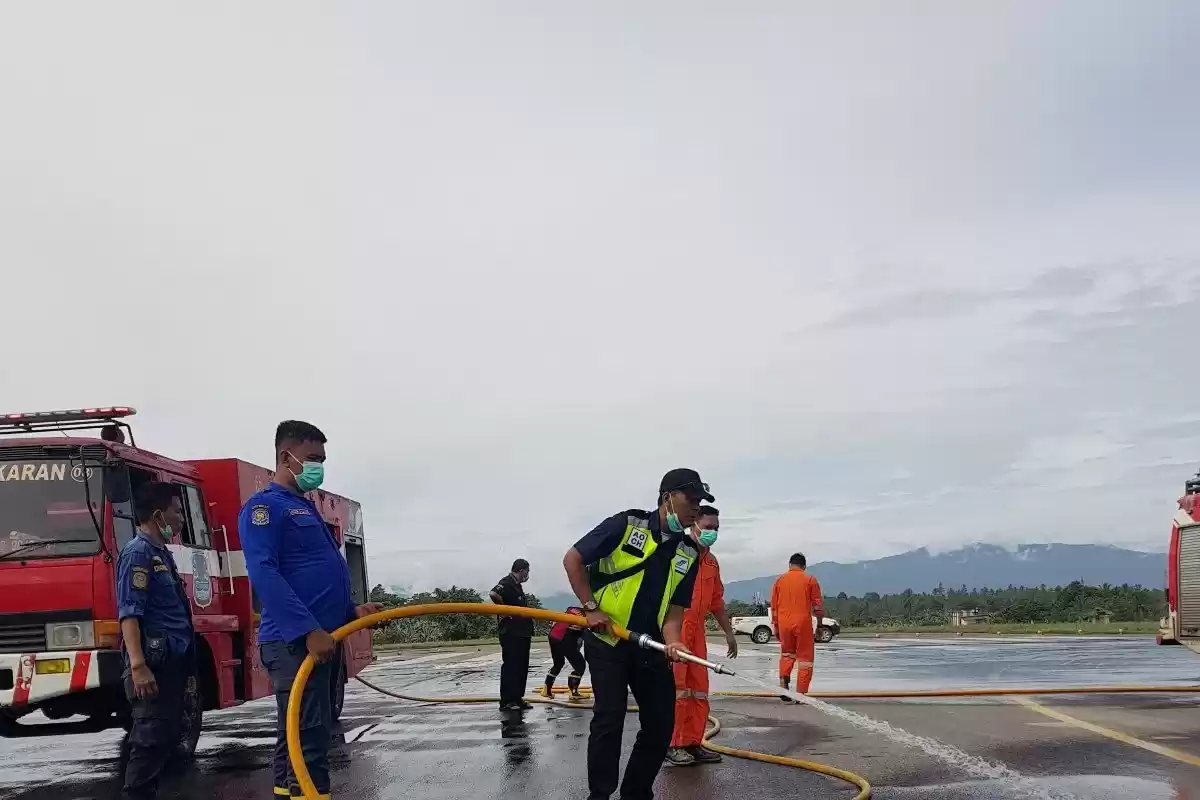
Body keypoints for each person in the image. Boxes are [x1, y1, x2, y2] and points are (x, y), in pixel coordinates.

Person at [241, 420, 382, 800]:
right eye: (312, 458)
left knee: (295, 736)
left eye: (322, 459)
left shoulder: (303, 506)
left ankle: (288, 792)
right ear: (286, 457)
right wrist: (308, 630)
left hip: (320, 636)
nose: (318, 467)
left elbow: (312, 575)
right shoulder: (264, 508)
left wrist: (351, 611)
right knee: (311, 738)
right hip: (295, 643)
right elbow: (264, 573)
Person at [562, 468, 710, 800]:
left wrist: (674, 641)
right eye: (691, 499)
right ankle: (600, 795)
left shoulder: (688, 552)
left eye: (700, 502)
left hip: (650, 646)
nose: (696, 508)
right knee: (609, 718)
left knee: (660, 724)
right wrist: (590, 607)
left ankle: (636, 793)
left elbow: (674, 612)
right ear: (668, 497)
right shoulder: (628, 525)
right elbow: (573, 559)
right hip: (608, 640)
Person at [116, 481, 195, 799]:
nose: (182, 519)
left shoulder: (160, 552)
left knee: (166, 739)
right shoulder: (138, 553)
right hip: (153, 667)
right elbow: (129, 613)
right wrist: (138, 666)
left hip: (171, 665)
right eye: (178, 511)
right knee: (149, 742)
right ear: (158, 515)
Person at [664, 506, 737, 767]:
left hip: (697, 635)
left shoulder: (711, 562)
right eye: (708, 527)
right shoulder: (677, 553)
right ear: (693, 524)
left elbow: (716, 601)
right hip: (676, 631)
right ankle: (673, 744)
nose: (712, 533)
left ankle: (693, 742)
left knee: (698, 691)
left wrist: (729, 633)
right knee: (677, 691)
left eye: (716, 528)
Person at [771, 552, 824, 701]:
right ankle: (800, 694)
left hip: (783, 623)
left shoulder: (779, 581)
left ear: (790, 565)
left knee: (787, 654)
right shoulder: (810, 580)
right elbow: (817, 606)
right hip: (802, 623)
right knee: (805, 659)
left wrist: (776, 626)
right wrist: (820, 625)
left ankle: (783, 682)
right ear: (804, 566)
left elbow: (774, 607)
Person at [490, 559, 534, 711]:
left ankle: (517, 698)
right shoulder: (507, 582)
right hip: (511, 632)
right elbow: (493, 593)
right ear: (522, 570)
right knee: (511, 666)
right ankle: (508, 701)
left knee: (521, 666)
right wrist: (503, 610)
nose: (527, 575)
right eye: (527, 571)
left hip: (522, 632)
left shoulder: (517, 586)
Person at [539, 605, 587, 702]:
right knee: (580, 665)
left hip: (553, 635)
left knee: (558, 663)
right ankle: (573, 692)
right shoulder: (585, 616)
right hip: (565, 637)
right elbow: (580, 635)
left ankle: (546, 690)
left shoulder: (572, 610)